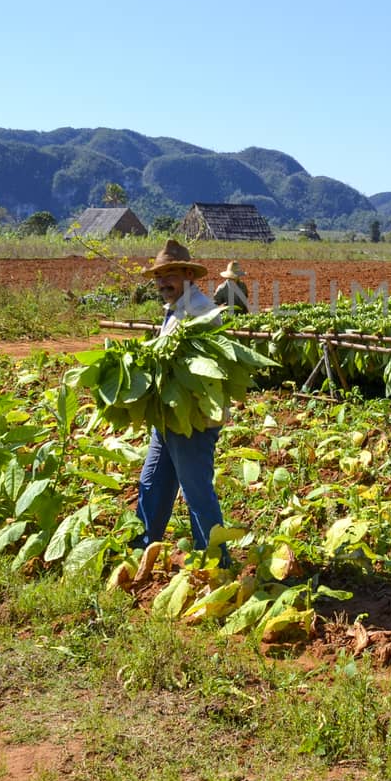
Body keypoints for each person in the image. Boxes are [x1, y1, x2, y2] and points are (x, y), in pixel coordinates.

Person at [133, 239, 227, 557]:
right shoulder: (176, 309)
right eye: (159, 276)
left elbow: (202, 367)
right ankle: (143, 549)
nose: (162, 282)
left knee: (196, 492)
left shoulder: (200, 311)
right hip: (169, 416)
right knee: (152, 483)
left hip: (194, 417)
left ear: (188, 274)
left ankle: (216, 562)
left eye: (170, 274)